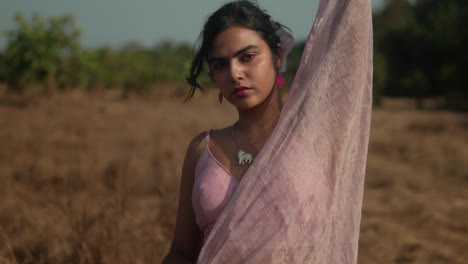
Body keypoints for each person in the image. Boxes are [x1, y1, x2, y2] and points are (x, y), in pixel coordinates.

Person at [164, 0, 373, 262]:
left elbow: (347, 41)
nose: (235, 73)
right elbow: (182, 252)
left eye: (247, 57)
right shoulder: (202, 150)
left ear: (277, 55)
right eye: (220, 65)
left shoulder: (313, 141)